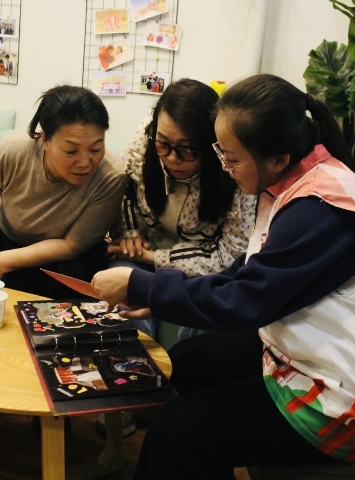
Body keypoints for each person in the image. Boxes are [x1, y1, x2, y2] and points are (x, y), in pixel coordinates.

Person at [91, 74, 355, 479]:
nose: (224, 166)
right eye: (220, 152)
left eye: (231, 158)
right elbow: (250, 273)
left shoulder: (322, 210)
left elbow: (245, 302)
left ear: (277, 159)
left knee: (175, 430)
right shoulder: (302, 179)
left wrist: (143, 285)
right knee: (188, 361)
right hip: (326, 349)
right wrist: (154, 295)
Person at [95, 78, 256, 439]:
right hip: (144, 251)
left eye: (187, 150)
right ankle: (127, 400)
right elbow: (124, 194)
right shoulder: (146, 143)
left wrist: (154, 258)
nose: (171, 158)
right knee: (120, 296)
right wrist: (129, 233)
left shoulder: (233, 171)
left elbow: (228, 256)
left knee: (196, 311)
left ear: (212, 147)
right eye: (164, 145)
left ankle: (174, 406)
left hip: (202, 265)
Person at [0, 85, 127, 298]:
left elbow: (72, 245)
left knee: (61, 286)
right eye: (71, 151)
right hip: (3, 233)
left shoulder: (111, 176)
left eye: (96, 149)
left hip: (61, 254)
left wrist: (2, 262)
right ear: (45, 140)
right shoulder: (12, 151)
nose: (85, 163)